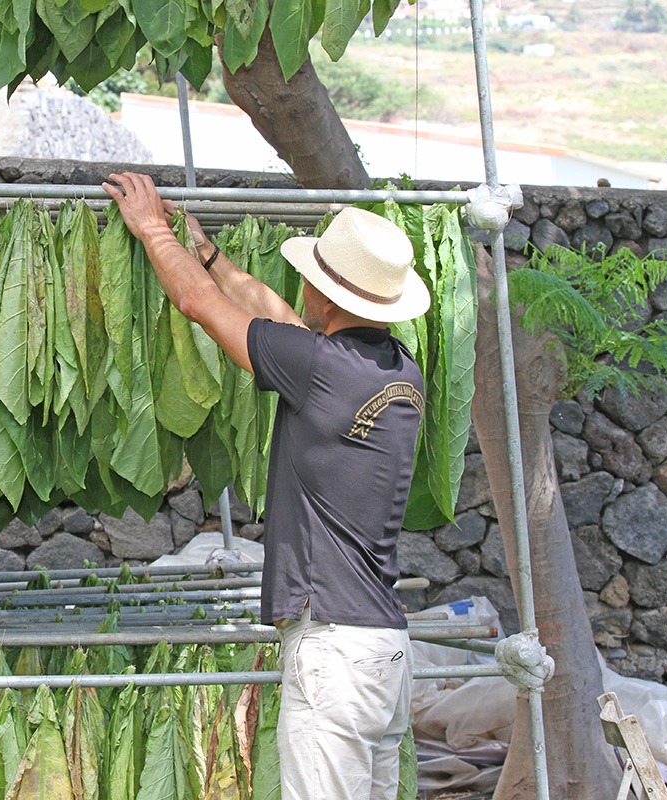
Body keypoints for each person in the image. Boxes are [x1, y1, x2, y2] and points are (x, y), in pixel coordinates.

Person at [102, 172, 429, 800]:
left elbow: (201, 306)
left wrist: (149, 229)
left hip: (333, 645)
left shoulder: (323, 368)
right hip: (383, 649)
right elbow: (276, 321)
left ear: (325, 293)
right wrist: (207, 253)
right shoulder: (392, 369)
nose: (300, 286)